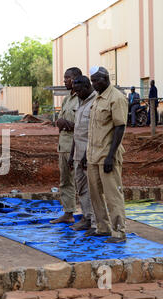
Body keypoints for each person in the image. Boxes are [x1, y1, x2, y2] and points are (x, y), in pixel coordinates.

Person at [84, 66, 128, 243]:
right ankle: (103, 228)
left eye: (96, 80)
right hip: (93, 156)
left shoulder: (116, 98)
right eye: (92, 80)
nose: (94, 84)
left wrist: (111, 155)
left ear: (106, 78)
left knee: (112, 195)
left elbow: (120, 127)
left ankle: (119, 232)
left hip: (107, 156)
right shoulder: (97, 98)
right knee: (95, 194)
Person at [50, 67, 82, 225]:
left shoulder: (82, 99)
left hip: (76, 147)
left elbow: (86, 126)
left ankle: (89, 216)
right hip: (63, 146)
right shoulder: (67, 99)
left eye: (67, 77)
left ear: (76, 78)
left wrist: (67, 124)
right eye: (64, 77)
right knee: (65, 181)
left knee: (81, 182)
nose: (64, 80)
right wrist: (61, 123)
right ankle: (68, 213)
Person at [68, 76, 97, 232]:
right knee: (82, 188)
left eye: (78, 90)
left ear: (87, 87)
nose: (76, 94)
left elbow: (94, 133)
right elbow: (77, 132)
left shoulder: (95, 102)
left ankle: (95, 222)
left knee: (93, 189)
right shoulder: (81, 101)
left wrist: (86, 154)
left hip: (90, 155)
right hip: (78, 154)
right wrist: (72, 154)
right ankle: (87, 217)